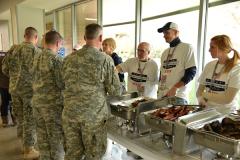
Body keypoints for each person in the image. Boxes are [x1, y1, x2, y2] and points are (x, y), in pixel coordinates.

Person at [62, 23, 120, 160]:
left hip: (70, 115)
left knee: (71, 154)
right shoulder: (105, 59)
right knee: (93, 154)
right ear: (100, 37)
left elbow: (62, 83)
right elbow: (115, 91)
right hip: (93, 118)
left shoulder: (68, 59)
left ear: (84, 37)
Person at [7, 27, 40, 159]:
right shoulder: (36, 52)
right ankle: (29, 149)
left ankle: (22, 141)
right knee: (30, 120)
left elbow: (4, 69)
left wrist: (15, 77)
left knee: (20, 116)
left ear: (24, 35)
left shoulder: (13, 49)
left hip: (14, 89)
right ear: (35, 37)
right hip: (29, 92)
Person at [32, 30, 64, 160]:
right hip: (52, 107)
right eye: (61, 45)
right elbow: (61, 84)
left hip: (37, 104)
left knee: (42, 138)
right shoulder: (56, 60)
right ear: (57, 43)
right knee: (56, 140)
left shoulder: (36, 56)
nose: (61, 47)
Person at [197, 35, 240, 112]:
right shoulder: (209, 65)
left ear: (223, 49)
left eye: (212, 47)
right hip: (207, 112)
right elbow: (199, 90)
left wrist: (204, 94)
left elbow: (227, 99)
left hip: (226, 115)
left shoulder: (236, 69)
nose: (209, 50)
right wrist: (200, 99)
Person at [157, 22, 196, 104]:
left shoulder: (187, 48)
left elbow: (191, 72)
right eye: (164, 33)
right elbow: (162, 73)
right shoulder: (165, 52)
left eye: (167, 33)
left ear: (176, 32)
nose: (164, 35)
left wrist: (175, 88)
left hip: (178, 97)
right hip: (162, 96)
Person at [0, 51, 16, 127]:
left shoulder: (2, 58)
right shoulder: (13, 59)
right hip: (12, 85)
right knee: (13, 103)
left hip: (3, 85)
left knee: (5, 103)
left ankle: (5, 121)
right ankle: (14, 120)